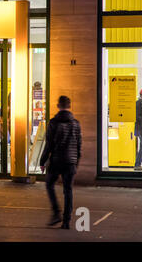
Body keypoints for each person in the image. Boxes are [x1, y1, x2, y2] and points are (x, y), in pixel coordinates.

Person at [40, 95, 82, 229]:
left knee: (49, 184)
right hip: (70, 161)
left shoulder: (53, 122)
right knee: (68, 190)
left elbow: (49, 144)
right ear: (69, 106)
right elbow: (79, 145)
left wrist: (43, 160)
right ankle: (66, 221)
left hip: (57, 160)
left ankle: (56, 212)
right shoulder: (76, 123)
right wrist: (76, 162)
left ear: (58, 106)